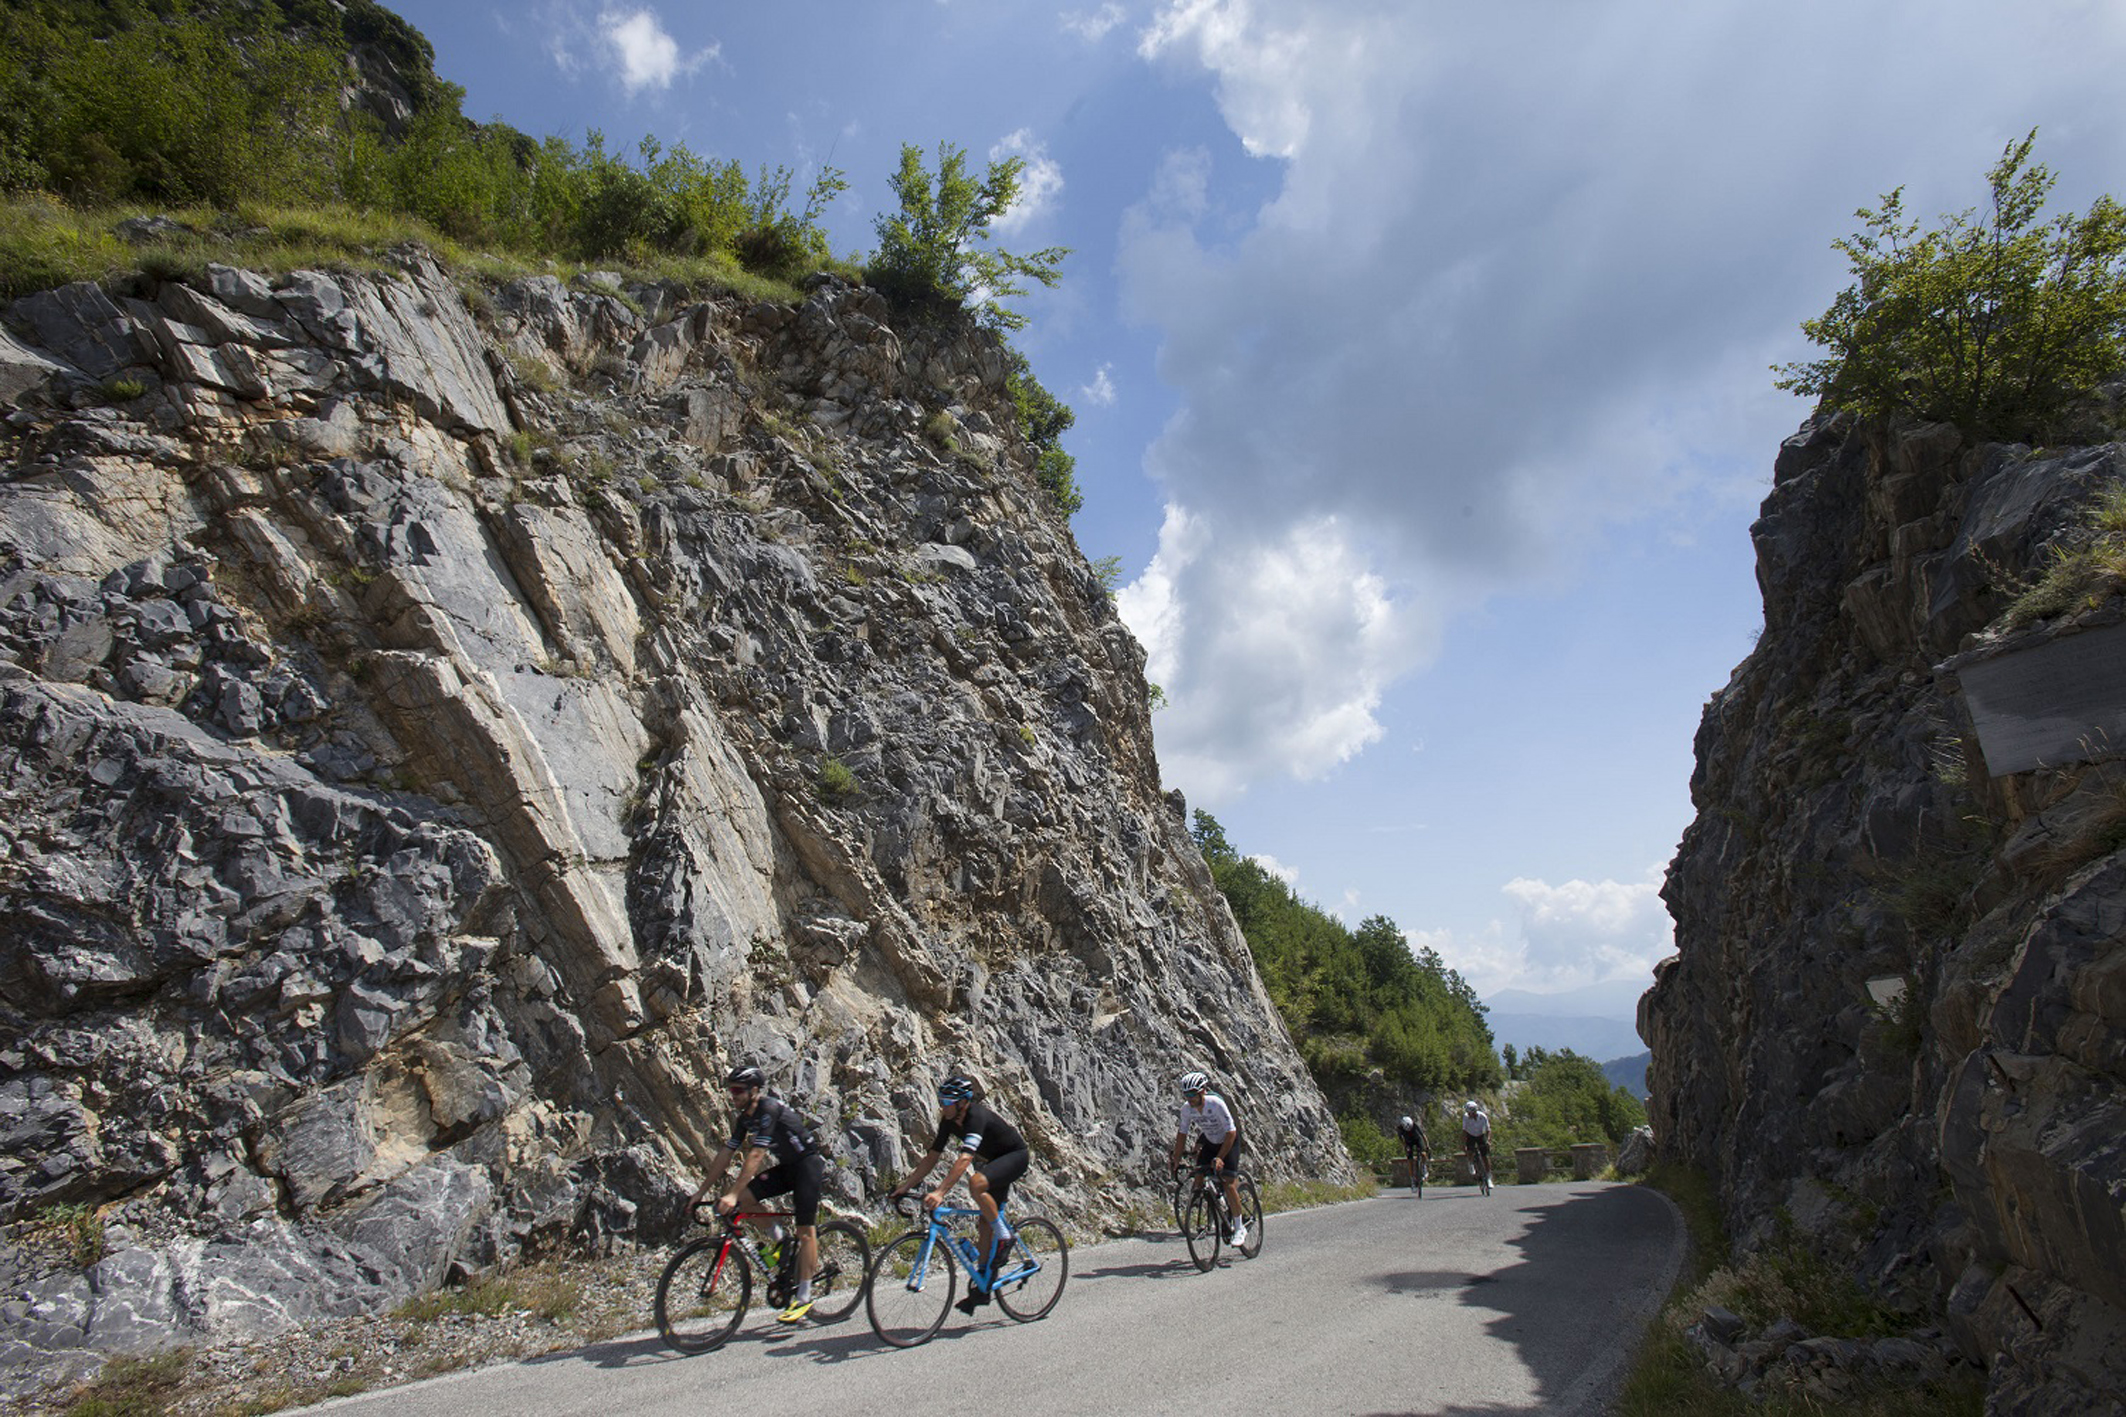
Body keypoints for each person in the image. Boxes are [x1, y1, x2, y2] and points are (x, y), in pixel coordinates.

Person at [688, 1065, 828, 1323]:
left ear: (754, 1090)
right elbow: (725, 1154)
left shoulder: (768, 1109)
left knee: (805, 1232)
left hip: (808, 1165)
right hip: (788, 1168)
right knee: (745, 1200)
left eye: (739, 1090)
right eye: (731, 1090)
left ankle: (804, 1299)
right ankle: (780, 1240)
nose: (734, 1095)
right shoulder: (745, 1119)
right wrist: (701, 1191)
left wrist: (731, 1193)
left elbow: (755, 1155)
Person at [891, 1073, 1031, 1315]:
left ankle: (1006, 1237)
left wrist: (940, 1192)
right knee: (983, 1224)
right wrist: (906, 1185)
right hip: (995, 1161)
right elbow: (932, 1158)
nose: (942, 1107)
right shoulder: (948, 1122)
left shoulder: (976, 1116)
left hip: (1015, 1156)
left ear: (962, 1103)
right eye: (941, 1101)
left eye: (947, 1103)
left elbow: (965, 1158)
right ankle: (983, 1286)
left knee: (976, 1183)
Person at [1168, 1070, 1246, 1247]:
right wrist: (1176, 1159)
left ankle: (1240, 1227)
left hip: (1229, 1141)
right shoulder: (1187, 1109)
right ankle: (1213, 1204)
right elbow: (1182, 1135)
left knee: (1227, 1181)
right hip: (1210, 1142)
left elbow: (1231, 1131)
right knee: (1199, 1176)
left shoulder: (1216, 1103)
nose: (1190, 1099)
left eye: (1193, 1094)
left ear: (1202, 1091)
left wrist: (1220, 1158)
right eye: (1186, 1095)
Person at [1461, 1098, 1493, 1185]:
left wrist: (1488, 1141)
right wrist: (1463, 1144)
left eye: (1469, 1113)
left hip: (1480, 1135)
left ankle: (1489, 1176)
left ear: (1474, 1112)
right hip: (1470, 1135)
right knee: (1470, 1150)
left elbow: (1488, 1130)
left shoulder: (1483, 1116)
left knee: (1485, 1156)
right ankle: (1471, 1163)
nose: (1468, 1114)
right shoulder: (1466, 1117)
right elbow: (1464, 1131)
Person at [1397, 1112, 1429, 1191]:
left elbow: (1423, 1136)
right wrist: (1404, 1146)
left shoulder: (1415, 1125)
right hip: (1408, 1142)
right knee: (1410, 1160)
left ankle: (1424, 1167)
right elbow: (1401, 1139)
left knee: (1423, 1153)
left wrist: (1427, 1146)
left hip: (1417, 1139)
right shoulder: (1400, 1128)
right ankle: (1412, 1180)